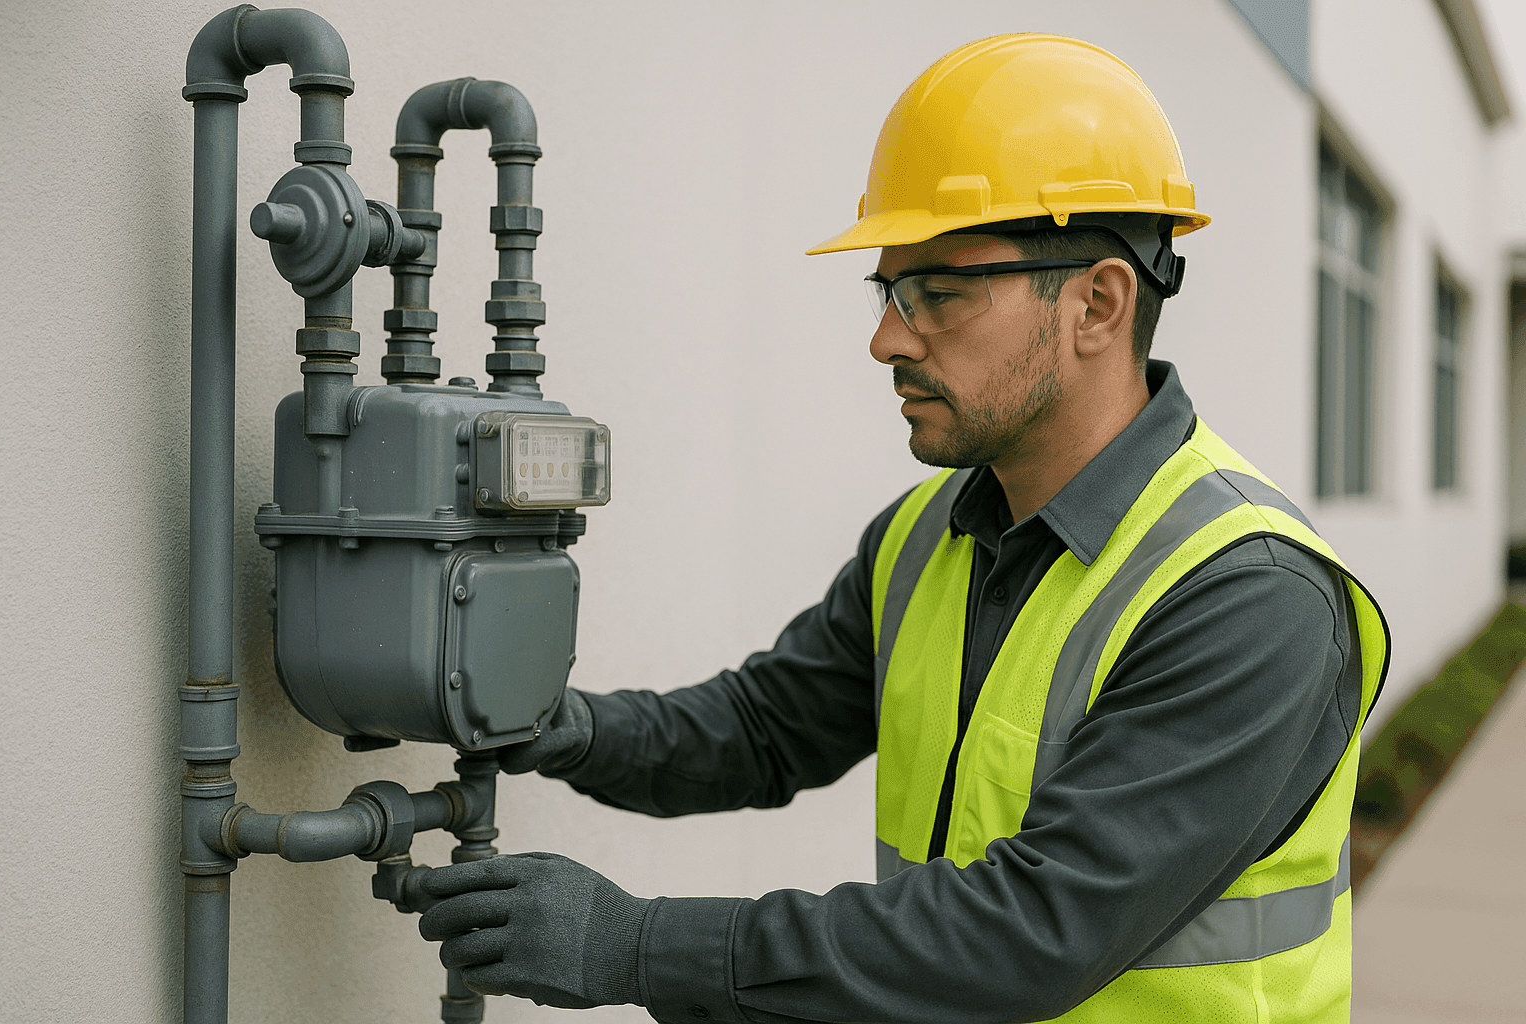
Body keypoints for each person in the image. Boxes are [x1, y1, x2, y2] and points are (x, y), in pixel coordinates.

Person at [416, 34, 1388, 1023]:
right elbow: (764, 728)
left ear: (1098, 301)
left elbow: (1029, 931)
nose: (886, 338)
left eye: (939, 290)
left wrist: (633, 943)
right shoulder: (929, 533)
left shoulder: (1247, 593)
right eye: (889, 290)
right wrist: (558, 725)